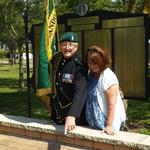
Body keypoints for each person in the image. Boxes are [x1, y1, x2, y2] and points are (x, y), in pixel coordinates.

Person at [50, 32, 87, 134]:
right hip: (58, 112)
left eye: (70, 44)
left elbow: (80, 92)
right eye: (64, 44)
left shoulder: (79, 65)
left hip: (72, 115)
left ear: (76, 47)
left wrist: (72, 115)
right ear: (60, 46)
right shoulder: (58, 60)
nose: (67, 48)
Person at [85, 45, 126, 135]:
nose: (92, 66)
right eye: (90, 63)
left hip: (107, 124)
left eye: (95, 63)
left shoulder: (108, 77)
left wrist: (109, 125)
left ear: (102, 61)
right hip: (94, 124)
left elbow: (112, 105)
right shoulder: (91, 74)